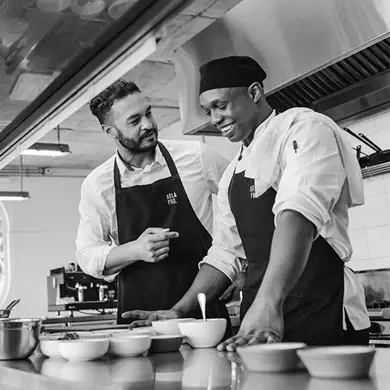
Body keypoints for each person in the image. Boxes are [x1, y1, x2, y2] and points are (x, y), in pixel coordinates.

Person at [122, 56, 370, 349]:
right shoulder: (232, 173)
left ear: (254, 93)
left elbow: (299, 213)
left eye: (221, 106)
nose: (214, 120)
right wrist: (179, 310)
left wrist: (268, 302)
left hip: (320, 308)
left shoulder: (304, 129)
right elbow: (225, 254)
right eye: (207, 111)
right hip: (258, 324)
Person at [75, 79, 232, 329]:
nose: (148, 125)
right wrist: (135, 250)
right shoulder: (98, 184)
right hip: (139, 323)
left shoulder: (196, 156)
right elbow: (86, 255)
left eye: (148, 113)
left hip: (202, 314)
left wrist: (241, 270)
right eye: (134, 121)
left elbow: (244, 209)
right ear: (110, 131)